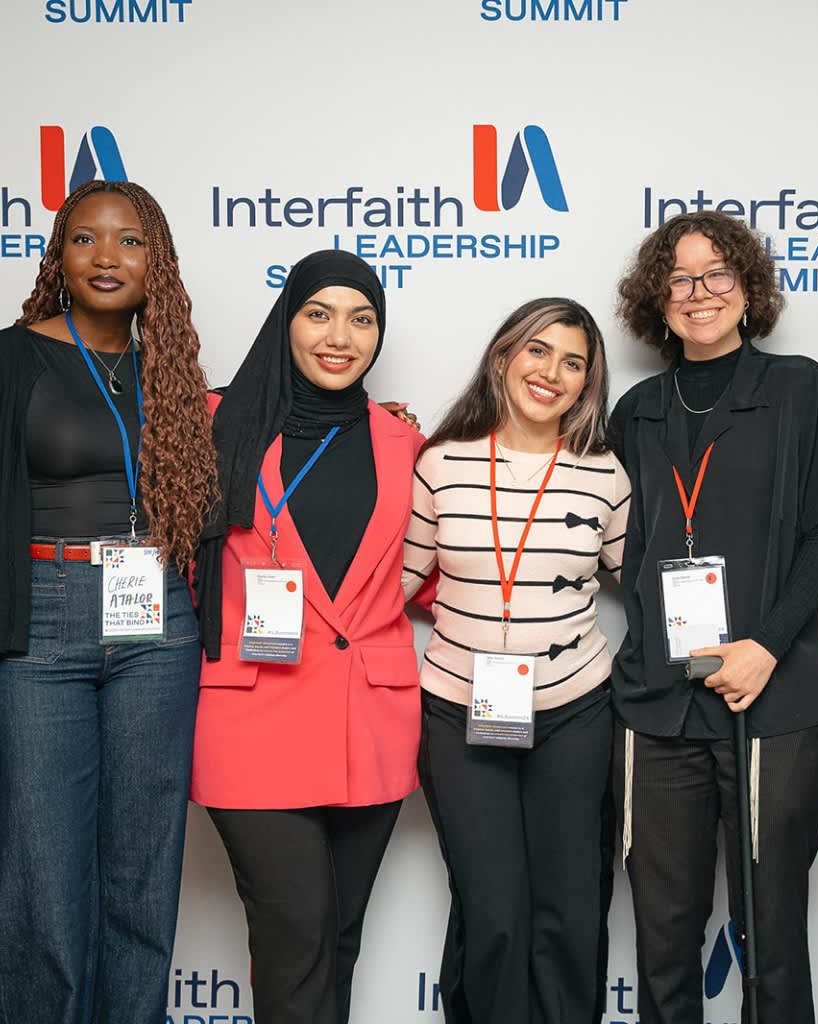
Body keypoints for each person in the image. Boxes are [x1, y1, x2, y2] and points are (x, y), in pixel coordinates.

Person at [610, 211, 818, 1024]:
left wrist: (766, 647)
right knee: (661, 939)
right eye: (679, 278)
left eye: (717, 274)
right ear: (658, 299)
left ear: (747, 290)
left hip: (772, 703)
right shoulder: (636, 409)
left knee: (771, 936)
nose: (698, 292)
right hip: (659, 706)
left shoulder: (797, 388)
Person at [0, 180, 219, 1024]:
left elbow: (252, 442)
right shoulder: (15, 357)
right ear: (59, 254)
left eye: (129, 241)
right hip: (43, 619)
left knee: (142, 866)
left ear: (155, 261)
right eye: (85, 238)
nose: (105, 257)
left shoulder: (172, 373)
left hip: (157, 623)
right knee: (42, 874)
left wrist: (366, 419)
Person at [191, 250, 424, 1024]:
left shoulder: (403, 446)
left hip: (370, 723)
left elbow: (418, 573)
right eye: (318, 313)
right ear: (285, 319)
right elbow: (175, 555)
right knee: (295, 936)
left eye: (362, 319)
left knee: (338, 938)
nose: (340, 336)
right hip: (249, 717)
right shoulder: (212, 422)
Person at [402, 297, 629, 1024]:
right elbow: (394, 583)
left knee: (567, 906)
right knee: (493, 909)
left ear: (587, 382)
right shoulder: (439, 464)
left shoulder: (605, 474)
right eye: (538, 351)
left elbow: (647, 581)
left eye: (572, 362)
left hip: (574, 709)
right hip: (459, 710)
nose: (551, 373)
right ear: (502, 356)